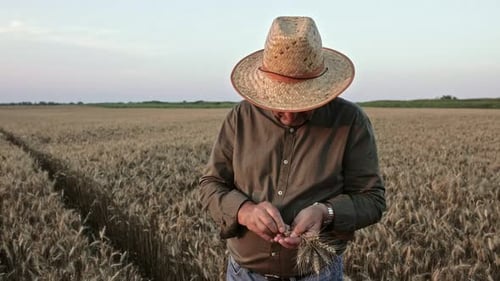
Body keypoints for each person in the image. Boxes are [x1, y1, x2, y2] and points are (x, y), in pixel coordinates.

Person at [199, 16, 386, 281]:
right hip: (244, 275)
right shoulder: (240, 118)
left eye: (301, 103)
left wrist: (326, 212)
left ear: (322, 90)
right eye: (279, 101)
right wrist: (245, 211)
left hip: (318, 274)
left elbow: (373, 200)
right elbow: (210, 185)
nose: (288, 114)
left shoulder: (350, 122)